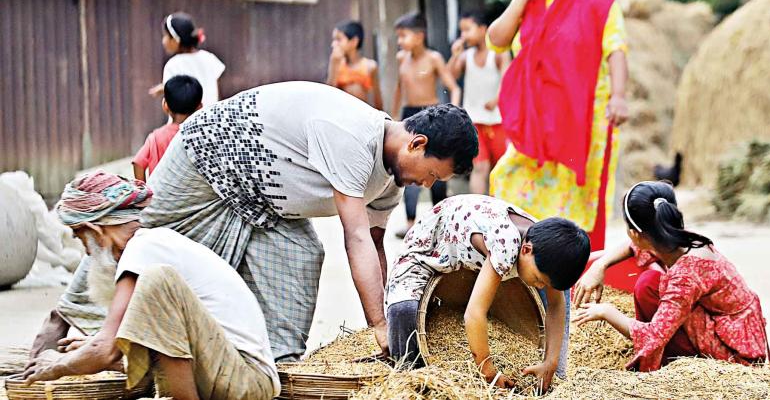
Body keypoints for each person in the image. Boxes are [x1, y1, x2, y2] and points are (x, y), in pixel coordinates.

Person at [33, 81, 479, 364]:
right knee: (138, 237)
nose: (427, 184)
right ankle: (62, 320)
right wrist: (380, 328)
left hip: (265, 203)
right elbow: (356, 237)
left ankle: (274, 365)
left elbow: (378, 250)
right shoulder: (353, 137)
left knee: (304, 253)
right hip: (209, 155)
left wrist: (390, 319)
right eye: (434, 175)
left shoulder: (391, 182)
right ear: (417, 144)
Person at [22, 172, 280, 400]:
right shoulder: (152, 245)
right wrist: (91, 350)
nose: (86, 252)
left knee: (158, 281)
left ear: (94, 230)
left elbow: (105, 352)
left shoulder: (143, 248)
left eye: (81, 238)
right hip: (233, 375)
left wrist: (57, 364)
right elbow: (130, 350)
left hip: (245, 380)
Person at [487, 0, 630, 252]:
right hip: (534, 124)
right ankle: (522, 267)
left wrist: (619, 97)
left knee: (579, 204)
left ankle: (577, 276)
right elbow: (496, 41)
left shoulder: (599, 2)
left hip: (582, 124)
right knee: (508, 181)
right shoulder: (529, 3)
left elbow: (616, 49)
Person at [386, 195, 589, 391]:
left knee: (560, 293)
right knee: (403, 309)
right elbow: (473, 314)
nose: (541, 286)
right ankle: (409, 374)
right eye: (538, 279)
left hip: (472, 230)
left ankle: (554, 377)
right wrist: (488, 372)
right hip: (431, 245)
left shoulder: (549, 250)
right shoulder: (507, 245)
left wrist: (551, 362)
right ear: (526, 250)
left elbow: (556, 304)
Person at [571, 181, 770, 372]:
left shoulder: (687, 273)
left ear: (635, 233)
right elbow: (635, 245)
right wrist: (600, 265)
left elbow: (654, 335)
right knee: (649, 284)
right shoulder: (675, 240)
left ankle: (664, 364)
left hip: (737, 353)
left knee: (650, 289)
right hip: (727, 326)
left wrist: (607, 312)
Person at [391, 12, 463, 237]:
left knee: (435, 166)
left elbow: (454, 87)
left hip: (431, 114)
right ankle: (411, 222)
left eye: (404, 36)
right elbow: (399, 89)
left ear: (420, 36)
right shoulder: (401, 58)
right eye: (399, 37)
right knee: (407, 166)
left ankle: (439, 222)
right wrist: (393, 119)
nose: (400, 41)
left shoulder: (434, 58)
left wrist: (455, 115)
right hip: (409, 114)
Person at [447, 10, 511, 195]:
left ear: (483, 29)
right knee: (479, 167)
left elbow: (507, 80)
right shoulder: (465, 56)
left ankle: (501, 209)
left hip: (498, 120)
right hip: (473, 121)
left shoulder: (499, 53)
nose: (463, 35)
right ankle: (479, 209)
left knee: (500, 168)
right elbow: (450, 77)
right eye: (462, 31)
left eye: (467, 30)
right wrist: (454, 56)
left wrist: (497, 99)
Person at [133, 75, 202, 182]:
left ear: (165, 106)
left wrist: (144, 191)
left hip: (160, 196)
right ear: (200, 107)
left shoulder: (156, 137)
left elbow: (138, 163)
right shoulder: (201, 136)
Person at [148, 12, 225, 109]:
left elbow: (174, 95)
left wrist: (164, 88)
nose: (163, 41)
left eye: (166, 36)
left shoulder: (173, 65)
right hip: (211, 118)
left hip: (184, 122)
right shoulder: (210, 58)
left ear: (176, 40)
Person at [327, 20, 383, 110]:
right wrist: (333, 65)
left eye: (338, 39)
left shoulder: (370, 66)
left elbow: (378, 101)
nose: (333, 44)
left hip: (363, 116)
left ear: (354, 41)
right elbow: (329, 96)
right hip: (342, 115)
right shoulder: (337, 64)